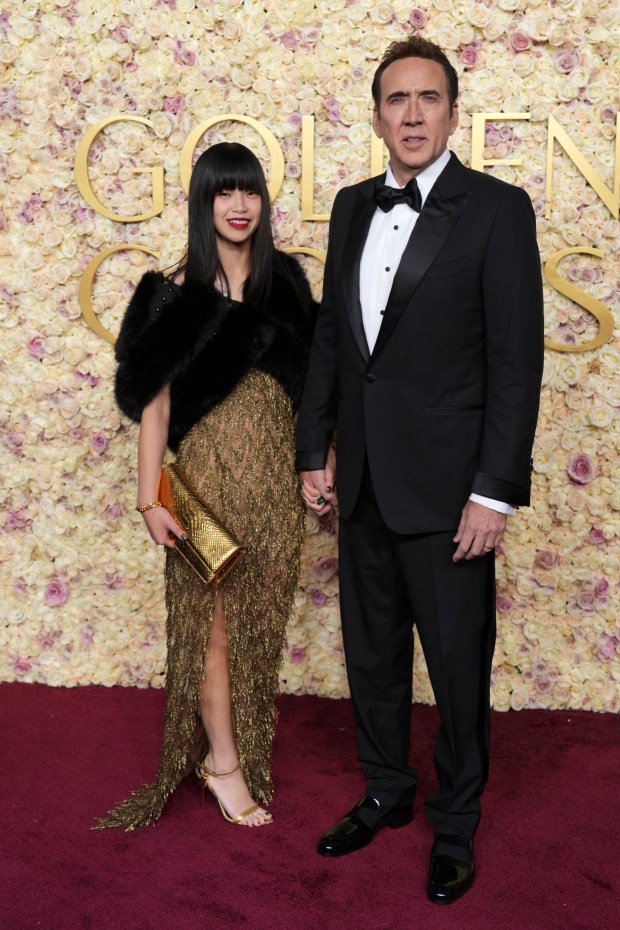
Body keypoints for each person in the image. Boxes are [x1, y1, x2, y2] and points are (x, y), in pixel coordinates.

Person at [296, 36, 543, 902]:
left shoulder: (498, 210)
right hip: (360, 481)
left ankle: (455, 823)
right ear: (375, 114)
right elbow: (334, 342)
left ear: (451, 111)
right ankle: (384, 791)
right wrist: (312, 452)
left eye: (427, 98)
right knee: (372, 658)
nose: (410, 114)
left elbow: (517, 363)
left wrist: (493, 492)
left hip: (450, 494)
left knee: (457, 666)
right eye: (395, 99)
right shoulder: (351, 206)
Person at [98, 142, 315, 831]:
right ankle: (223, 764)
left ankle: (233, 748)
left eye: (249, 191)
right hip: (201, 486)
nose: (239, 205)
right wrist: (148, 498)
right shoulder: (174, 293)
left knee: (259, 623)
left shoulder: (287, 285)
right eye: (224, 192)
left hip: (275, 488)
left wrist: (322, 465)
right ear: (204, 202)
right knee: (213, 630)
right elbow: (155, 406)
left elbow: (316, 391)